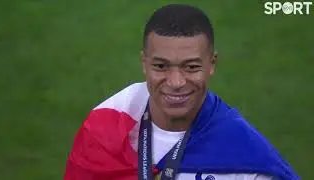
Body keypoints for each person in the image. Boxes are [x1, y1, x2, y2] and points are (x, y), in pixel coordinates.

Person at [64, 4, 299, 180]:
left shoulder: (248, 160)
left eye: (191, 67)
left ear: (212, 64)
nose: (176, 82)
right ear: (144, 63)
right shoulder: (103, 132)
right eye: (161, 66)